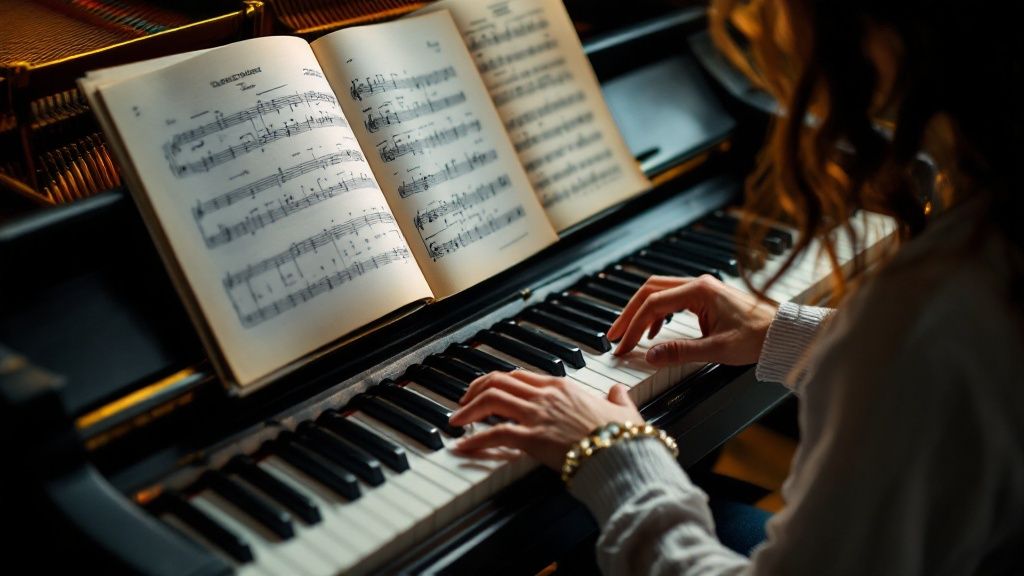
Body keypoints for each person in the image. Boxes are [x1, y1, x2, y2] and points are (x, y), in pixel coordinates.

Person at [447, 0, 1024, 573]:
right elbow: (942, 388)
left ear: (884, 35)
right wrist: (801, 336)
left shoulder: (930, 306)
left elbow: (923, 359)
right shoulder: (986, 246)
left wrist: (611, 454)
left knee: (589, 536)